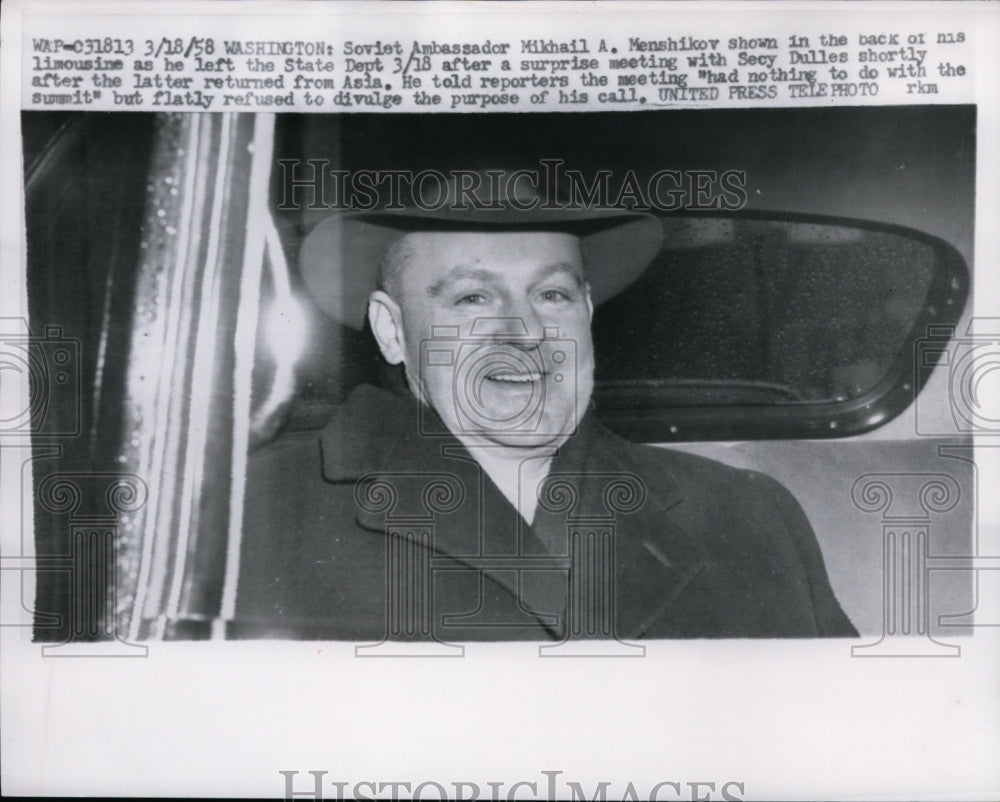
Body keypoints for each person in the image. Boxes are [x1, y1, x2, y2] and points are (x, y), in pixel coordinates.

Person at [233, 171, 857, 641]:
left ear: (585, 314)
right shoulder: (249, 526)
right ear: (393, 331)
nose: (525, 331)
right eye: (474, 299)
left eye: (553, 294)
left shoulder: (750, 516)